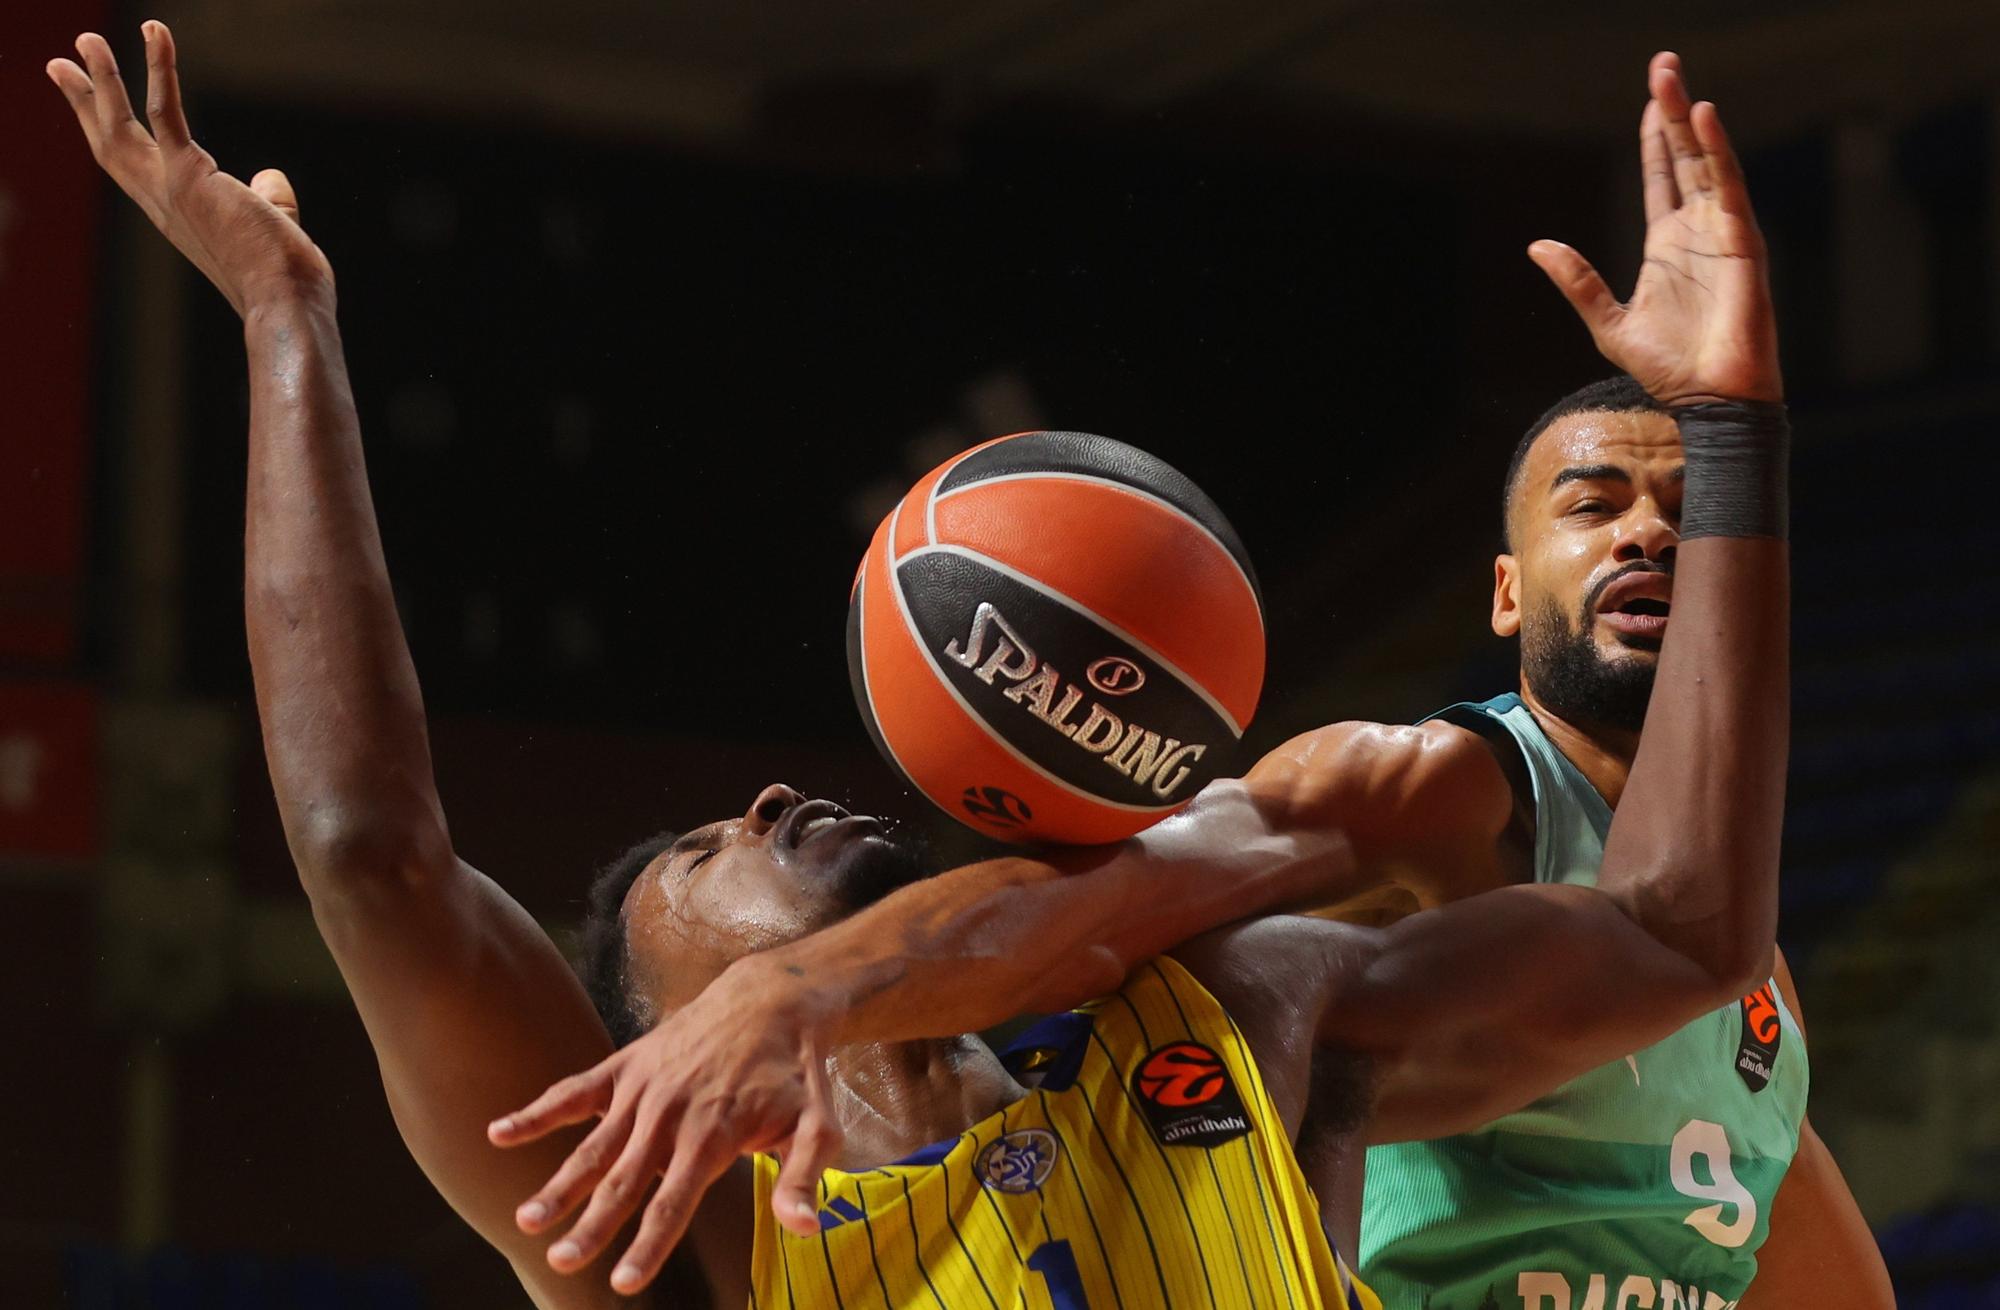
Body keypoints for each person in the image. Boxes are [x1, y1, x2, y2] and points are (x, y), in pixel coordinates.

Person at [488, 54, 1833, 1310]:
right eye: (1595, 502)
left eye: (1684, 505)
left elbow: (1710, 999)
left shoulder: (1712, 968)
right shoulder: (1408, 785)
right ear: (1498, 589)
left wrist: (1734, 425)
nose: (1653, 531)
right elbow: (1116, 893)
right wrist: (802, 986)